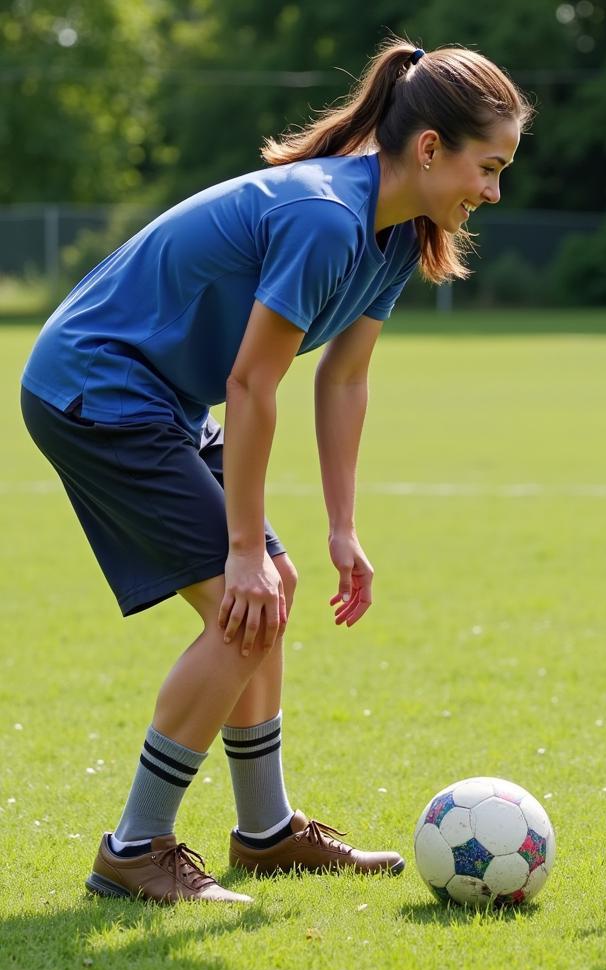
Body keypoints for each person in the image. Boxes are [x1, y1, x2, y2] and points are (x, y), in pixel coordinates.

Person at [21, 38, 531, 904]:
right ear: (430, 147)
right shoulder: (326, 217)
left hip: (157, 401)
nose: (491, 192)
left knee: (272, 588)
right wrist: (243, 547)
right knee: (242, 604)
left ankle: (265, 832)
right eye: (488, 167)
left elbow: (345, 378)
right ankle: (134, 848)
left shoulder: (397, 238)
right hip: (95, 387)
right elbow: (253, 385)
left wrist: (341, 529)